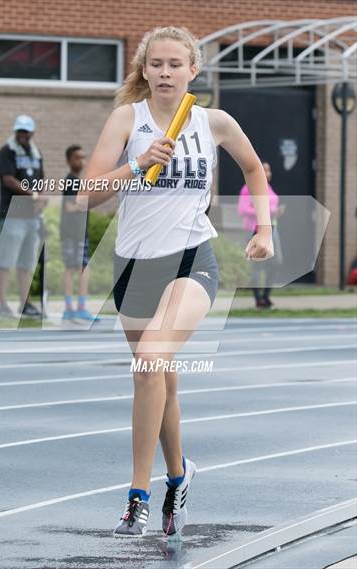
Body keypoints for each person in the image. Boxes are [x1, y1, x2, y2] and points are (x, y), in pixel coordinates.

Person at [77, 26, 273, 538]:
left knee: (150, 362)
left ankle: (136, 498)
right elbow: (86, 194)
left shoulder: (214, 122)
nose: (165, 72)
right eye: (156, 64)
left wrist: (265, 230)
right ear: (144, 70)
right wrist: (136, 164)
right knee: (159, 379)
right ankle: (178, 476)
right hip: (134, 266)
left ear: (193, 69)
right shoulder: (129, 118)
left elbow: (254, 169)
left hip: (192, 259)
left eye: (174, 64)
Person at [0, 115, 47, 318]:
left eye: (26, 131)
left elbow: (41, 179)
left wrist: (42, 196)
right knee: (6, 260)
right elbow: (8, 180)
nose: (23, 135)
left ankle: (25, 303)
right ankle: (2, 304)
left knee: (27, 262)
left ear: (32, 132)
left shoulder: (36, 152)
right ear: (15, 131)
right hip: (12, 214)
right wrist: (33, 195)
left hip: (32, 216)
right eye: (20, 131)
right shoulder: (6, 151)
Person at [60, 145, 99, 322]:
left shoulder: (78, 181)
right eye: (77, 157)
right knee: (74, 268)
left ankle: (79, 307)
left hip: (80, 233)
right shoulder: (71, 181)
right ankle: (72, 308)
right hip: (71, 233)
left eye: (83, 157)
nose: (81, 161)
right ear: (69, 161)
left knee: (81, 267)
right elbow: (69, 206)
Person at [238, 161, 284, 308]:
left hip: (272, 228)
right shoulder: (247, 189)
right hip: (253, 230)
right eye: (264, 170)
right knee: (256, 266)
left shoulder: (269, 189)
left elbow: (271, 207)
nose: (268, 173)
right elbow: (243, 210)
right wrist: (269, 212)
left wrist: (275, 212)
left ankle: (266, 295)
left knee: (277, 262)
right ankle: (258, 299)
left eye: (269, 170)